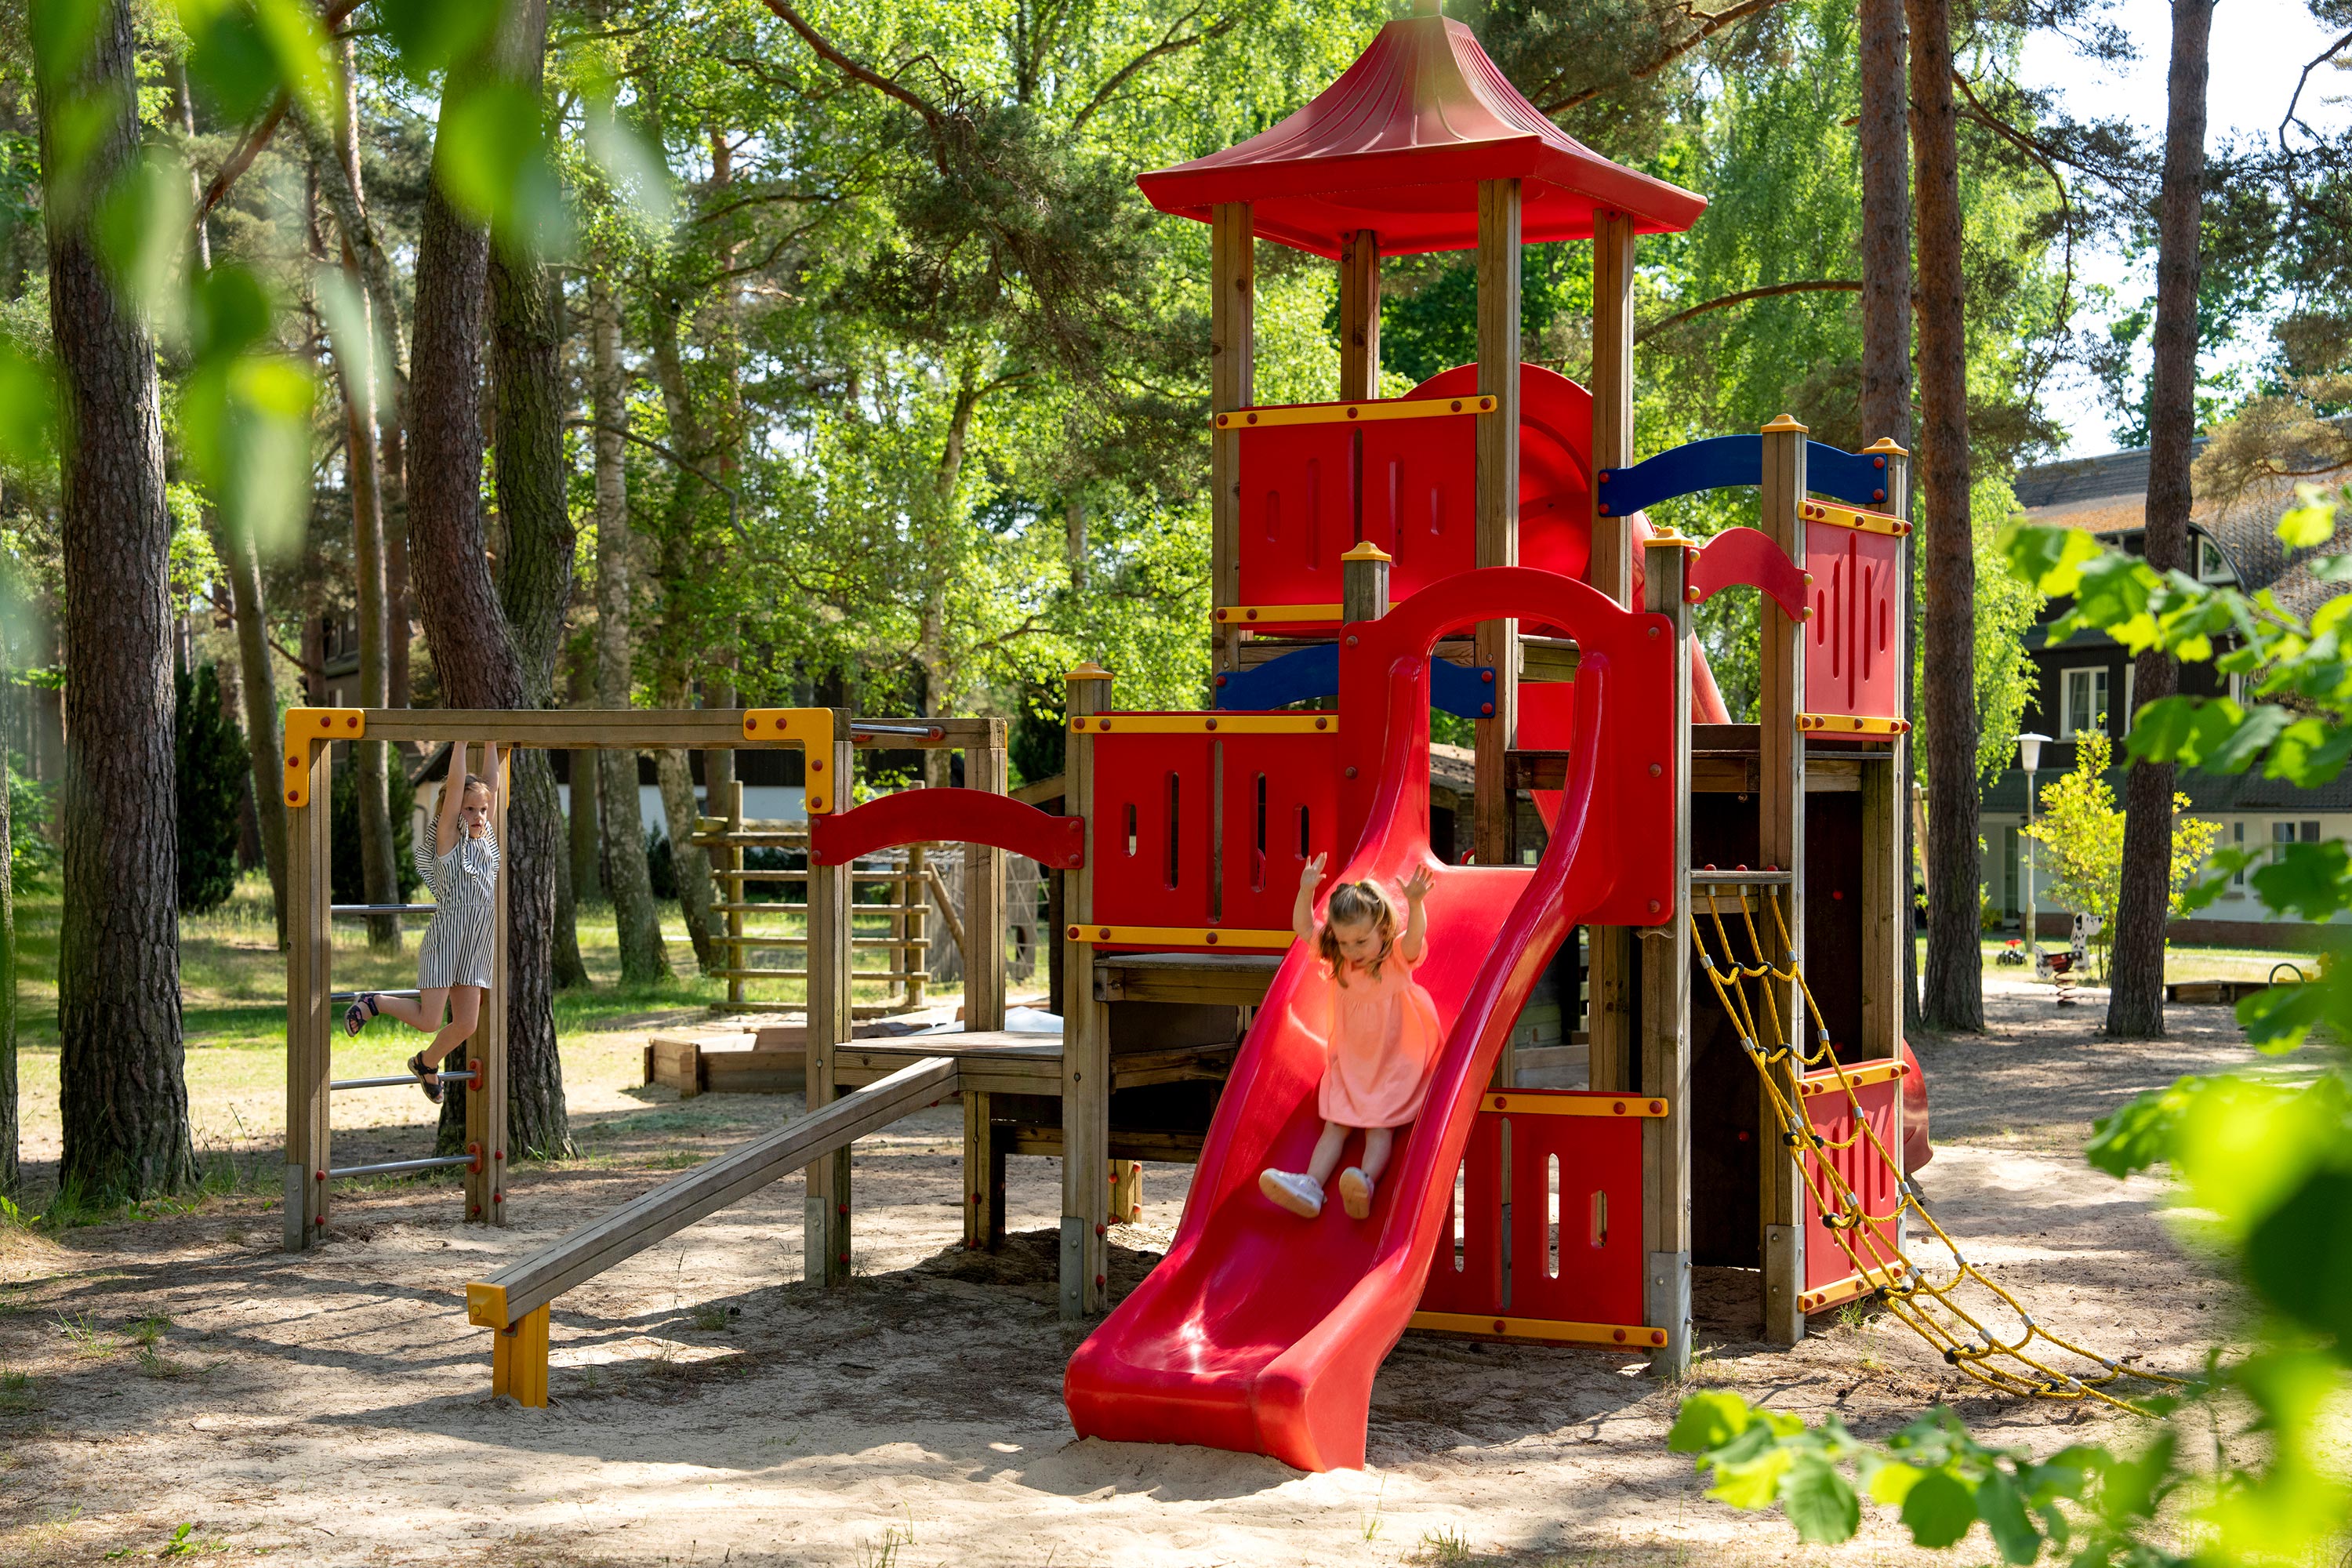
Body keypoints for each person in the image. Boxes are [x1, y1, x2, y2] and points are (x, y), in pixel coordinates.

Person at [1259, 853, 1439, 1221]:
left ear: (1383, 930)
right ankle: (1311, 1185)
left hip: (1393, 1061)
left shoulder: (1394, 959)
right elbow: (1304, 928)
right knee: (1335, 1125)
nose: (1352, 950)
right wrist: (1306, 891)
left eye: (1360, 941)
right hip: (1352, 1061)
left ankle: (1365, 1182)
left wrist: (1415, 903)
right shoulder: (1339, 960)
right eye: (1344, 942)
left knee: (1379, 1128)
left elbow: (1414, 939)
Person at [343, 740, 502, 1102]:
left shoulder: (485, 841)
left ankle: (426, 1063)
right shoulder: (448, 841)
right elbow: (457, 789)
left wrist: (492, 740)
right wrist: (461, 743)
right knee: (430, 1020)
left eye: (482, 810)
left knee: (467, 1023)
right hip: (447, 940)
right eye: (469, 810)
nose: (478, 816)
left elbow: (491, 786)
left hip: (476, 944)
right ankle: (375, 1002)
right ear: (453, 811)